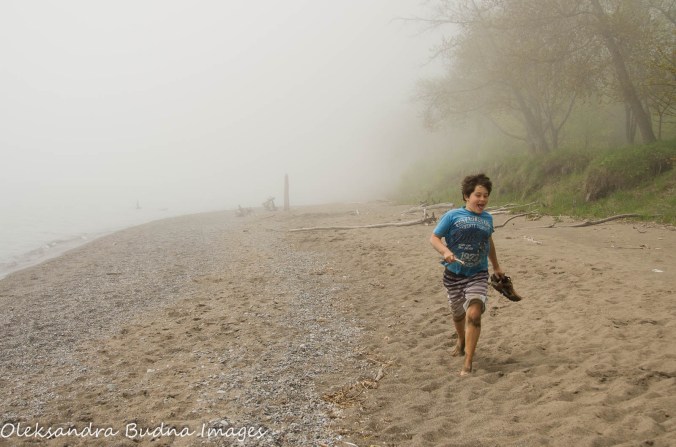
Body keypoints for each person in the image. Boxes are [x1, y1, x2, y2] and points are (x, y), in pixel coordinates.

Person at [429, 173, 504, 376]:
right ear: (466, 196)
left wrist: (496, 266)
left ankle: (468, 362)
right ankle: (461, 340)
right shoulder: (453, 216)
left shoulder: (488, 219)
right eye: (477, 195)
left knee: (474, 313)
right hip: (453, 275)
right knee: (458, 314)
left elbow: (488, 243)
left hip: (478, 273)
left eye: (485, 195)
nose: (482, 200)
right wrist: (446, 252)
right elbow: (434, 238)